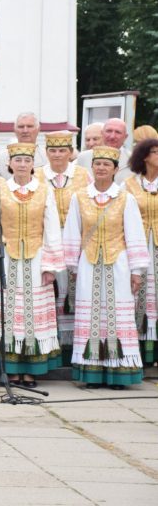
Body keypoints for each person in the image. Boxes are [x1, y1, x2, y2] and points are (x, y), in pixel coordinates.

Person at [62, 146, 147, 389]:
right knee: (91, 315)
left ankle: (118, 372)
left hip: (118, 262)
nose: (101, 168)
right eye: (97, 164)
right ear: (92, 167)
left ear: (115, 169)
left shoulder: (125, 199)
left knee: (117, 315)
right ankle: (92, 372)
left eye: (106, 165)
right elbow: (72, 231)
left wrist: (137, 270)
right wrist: (73, 264)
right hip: (89, 263)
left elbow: (134, 234)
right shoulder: (80, 197)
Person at [0, 143, 64, 386]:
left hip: (36, 257)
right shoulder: (0, 189)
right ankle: (11, 369)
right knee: (9, 312)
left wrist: (50, 264)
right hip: (6, 256)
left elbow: (51, 227)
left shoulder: (44, 190)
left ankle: (31, 369)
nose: (22, 164)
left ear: (32, 164)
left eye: (27, 160)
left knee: (33, 314)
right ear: (10, 164)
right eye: (18, 160)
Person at [39, 131, 92, 363]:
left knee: (73, 289)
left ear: (71, 153)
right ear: (46, 152)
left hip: (75, 239)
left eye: (62, 150)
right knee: (52, 290)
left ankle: (72, 346)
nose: (57, 155)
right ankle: (53, 343)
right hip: (47, 240)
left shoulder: (82, 175)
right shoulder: (38, 175)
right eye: (53, 150)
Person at [124, 138, 158, 366]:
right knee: (139, 296)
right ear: (145, 156)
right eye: (156, 152)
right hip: (138, 243)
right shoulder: (130, 184)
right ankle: (141, 351)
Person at [76, 118, 132, 183]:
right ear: (102, 133)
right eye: (109, 131)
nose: (112, 136)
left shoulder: (133, 160)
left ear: (125, 137)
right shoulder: (83, 157)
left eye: (118, 132)